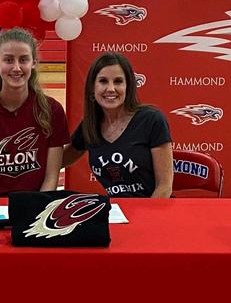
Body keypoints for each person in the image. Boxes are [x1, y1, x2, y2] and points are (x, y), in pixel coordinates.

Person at [0, 27, 68, 198]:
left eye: (23, 60)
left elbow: (51, 179)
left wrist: (36, 209)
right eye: (9, 60)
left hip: (37, 206)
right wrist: (0, 212)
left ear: (34, 63)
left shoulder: (52, 110)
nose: (16, 67)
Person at [63, 53, 173, 198]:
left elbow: (164, 187)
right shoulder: (90, 126)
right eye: (103, 81)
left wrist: (147, 213)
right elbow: (57, 161)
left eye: (118, 81)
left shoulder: (151, 120)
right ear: (92, 88)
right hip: (117, 209)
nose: (110, 88)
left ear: (128, 86)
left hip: (153, 207)